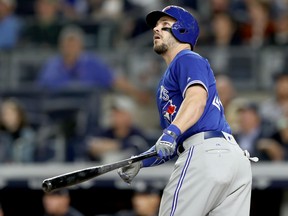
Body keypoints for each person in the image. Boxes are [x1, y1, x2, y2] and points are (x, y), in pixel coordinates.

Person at [117, 5, 257, 216]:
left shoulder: (186, 59)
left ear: (183, 30)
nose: (156, 29)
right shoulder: (174, 73)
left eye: (165, 25)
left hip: (204, 155)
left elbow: (196, 99)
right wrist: (143, 160)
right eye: (156, 26)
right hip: (232, 159)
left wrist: (171, 132)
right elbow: (173, 144)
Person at [36, 24, 150, 103]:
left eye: (74, 43)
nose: (70, 48)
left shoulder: (91, 63)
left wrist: (137, 93)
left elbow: (114, 80)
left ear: (81, 46)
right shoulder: (52, 66)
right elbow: (41, 89)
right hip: (59, 107)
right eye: (67, 44)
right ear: (61, 45)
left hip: (88, 109)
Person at [85, 94, 150, 163]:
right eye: (114, 113)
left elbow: (138, 147)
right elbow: (90, 147)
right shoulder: (105, 132)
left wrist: (114, 145)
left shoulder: (137, 133)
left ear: (129, 116)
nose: (114, 116)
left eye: (119, 113)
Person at [0, 98, 36, 163]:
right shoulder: (1, 135)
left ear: (19, 115)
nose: (7, 117)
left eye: (11, 114)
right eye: (5, 114)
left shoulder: (28, 134)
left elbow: (29, 158)